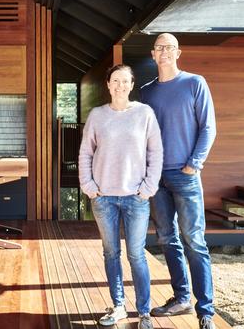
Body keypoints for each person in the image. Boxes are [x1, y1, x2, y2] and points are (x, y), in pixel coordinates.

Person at [140, 33, 217, 329]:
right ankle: (181, 298)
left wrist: (193, 164)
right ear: (153, 54)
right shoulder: (146, 93)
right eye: (160, 48)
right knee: (166, 239)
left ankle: (206, 310)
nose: (165, 52)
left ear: (178, 52)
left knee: (194, 241)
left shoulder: (195, 83)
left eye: (170, 47)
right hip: (156, 177)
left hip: (185, 175)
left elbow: (208, 127)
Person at [79, 64, 163, 329]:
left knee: (136, 254)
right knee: (111, 253)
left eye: (125, 81)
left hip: (135, 198)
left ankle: (144, 312)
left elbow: (155, 153)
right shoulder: (97, 115)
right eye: (115, 80)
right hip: (103, 198)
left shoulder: (144, 113)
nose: (120, 85)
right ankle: (118, 307)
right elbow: (85, 154)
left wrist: (148, 188)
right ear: (108, 84)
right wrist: (89, 186)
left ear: (131, 84)